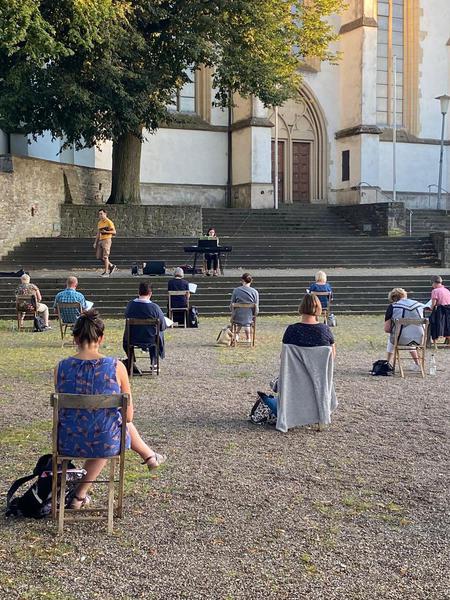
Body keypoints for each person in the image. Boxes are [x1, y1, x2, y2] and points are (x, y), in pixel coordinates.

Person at [55, 310, 166, 509]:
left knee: (104, 427)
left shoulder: (61, 367)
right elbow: (128, 416)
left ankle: (149, 456)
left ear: (75, 338)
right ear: (101, 338)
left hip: (68, 440)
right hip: (105, 441)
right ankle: (79, 496)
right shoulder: (116, 366)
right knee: (110, 428)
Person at [260, 293, 336, 424]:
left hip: (294, 381)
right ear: (318, 308)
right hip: (319, 381)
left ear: (301, 307)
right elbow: (331, 357)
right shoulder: (325, 330)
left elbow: (284, 357)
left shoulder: (291, 330)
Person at [123, 282, 167, 367]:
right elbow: (162, 326)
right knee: (159, 332)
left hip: (132, 338)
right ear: (150, 293)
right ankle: (154, 362)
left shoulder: (130, 305)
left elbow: (126, 316)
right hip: (151, 339)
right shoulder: (155, 308)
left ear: (138, 292)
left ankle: (131, 360)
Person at [384, 288, 424, 370]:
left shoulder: (393, 307)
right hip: (419, 339)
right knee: (411, 336)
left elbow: (387, 329)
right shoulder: (419, 305)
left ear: (393, 298)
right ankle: (418, 364)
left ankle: (387, 363)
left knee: (394, 337)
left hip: (400, 339)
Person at [230, 273, 259, 342]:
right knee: (246, 320)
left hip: (237, 316)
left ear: (242, 280)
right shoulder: (255, 292)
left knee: (241, 317)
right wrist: (254, 314)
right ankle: (248, 338)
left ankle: (236, 335)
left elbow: (231, 305)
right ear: (251, 281)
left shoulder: (236, 290)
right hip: (249, 317)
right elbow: (256, 307)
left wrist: (233, 312)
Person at [94, 208, 117, 277]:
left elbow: (114, 232)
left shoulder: (109, 222)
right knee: (99, 256)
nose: (100, 215)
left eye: (101, 214)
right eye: (99, 214)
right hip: (101, 240)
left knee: (105, 257)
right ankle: (111, 266)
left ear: (105, 214)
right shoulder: (99, 222)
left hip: (107, 240)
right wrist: (95, 242)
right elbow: (98, 233)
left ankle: (106, 272)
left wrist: (106, 231)